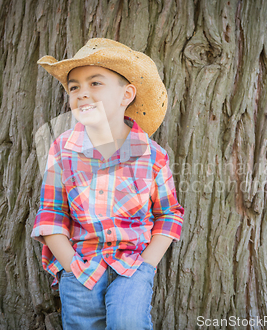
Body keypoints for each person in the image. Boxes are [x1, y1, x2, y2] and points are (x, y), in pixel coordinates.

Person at [30, 38, 185, 330]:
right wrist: (70, 265)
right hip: (82, 267)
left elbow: (168, 213)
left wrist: (146, 266)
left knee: (128, 322)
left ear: (126, 94)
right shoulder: (63, 149)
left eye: (95, 83)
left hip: (132, 268)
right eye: (74, 87)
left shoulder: (152, 155)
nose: (82, 93)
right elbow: (51, 214)